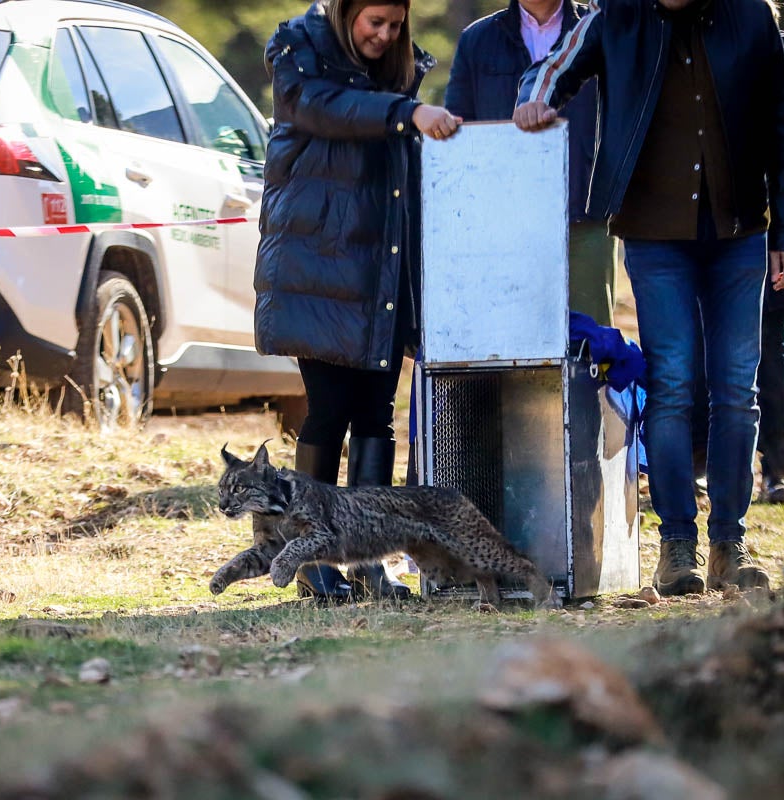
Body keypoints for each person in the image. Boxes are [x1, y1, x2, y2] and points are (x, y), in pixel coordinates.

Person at [514, 0, 784, 596]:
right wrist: (535, 98)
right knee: (671, 383)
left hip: (741, 231)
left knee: (736, 389)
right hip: (652, 233)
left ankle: (731, 540)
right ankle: (677, 547)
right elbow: (553, 66)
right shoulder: (616, 16)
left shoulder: (750, 17)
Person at [255, 0, 461, 601]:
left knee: (376, 416)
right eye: (375, 22)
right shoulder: (298, 51)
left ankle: (369, 562)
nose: (385, 35)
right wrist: (409, 111)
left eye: (395, 26)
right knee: (329, 412)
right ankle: (312, 559)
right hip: (317, 266)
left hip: (380, 272)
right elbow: (327, 110)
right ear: (346, 13)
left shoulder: (398, 76)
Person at [690, 30, 784, 508]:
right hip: (699, 216)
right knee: (697, 347)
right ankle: (702, 460)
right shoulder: (684, 42)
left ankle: (778, 467)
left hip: (771, 218)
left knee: (769, 350)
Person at [444, 0, 614, 326]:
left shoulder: (600, 27)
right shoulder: (476, 40)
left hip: (587, 217)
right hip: (504, 228)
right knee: (512, 344)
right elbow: (460, 138)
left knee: (592, 347)